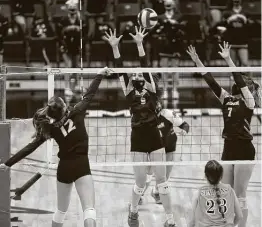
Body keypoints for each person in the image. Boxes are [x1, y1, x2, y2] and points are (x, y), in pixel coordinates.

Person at [0, 67, 113, 227]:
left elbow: (28, 149)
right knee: (89, 210)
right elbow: (89, 94)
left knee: (60, 212)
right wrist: (100, 74)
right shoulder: (77, 111)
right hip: (81, 165)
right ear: (64, 107)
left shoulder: (50, 130)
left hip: (64, 168)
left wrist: (7, 164)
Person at [105, 27, 177, 227]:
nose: (137, 74)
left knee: (162, 182)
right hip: (137, 139)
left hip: (155, 137)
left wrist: (139, 44)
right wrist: (115, 47)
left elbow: (145, 66)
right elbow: (120, 70)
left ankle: (170, 220)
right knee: (140, 183)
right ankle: (134, 211)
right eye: (134, 73)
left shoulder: (152, 90)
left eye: (140, 73)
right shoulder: (129, 92)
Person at [187, 41, 260, 227]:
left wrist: (228, 59)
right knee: (226, 191)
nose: (245, 86)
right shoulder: (226, 98)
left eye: (247, 85)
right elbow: (210, 81)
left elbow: (239, 79)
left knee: (240, 194)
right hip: (229, 148)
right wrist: (198, 62)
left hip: (244, 149)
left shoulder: (250, 101)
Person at [140, 102, 190, 204]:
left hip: (170, 146)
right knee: (149, 172)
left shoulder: (168, 114)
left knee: (165, 175)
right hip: (156, 147)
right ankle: (140, 194)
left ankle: (156, 192)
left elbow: (185, 124)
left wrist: (185, 131)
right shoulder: (145, 120)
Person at [189, 160, 243, 227]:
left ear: (205, 176)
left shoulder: (198, 193)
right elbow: (240, 216)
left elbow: (191, 221)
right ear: (221, 176)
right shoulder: (230, 190)